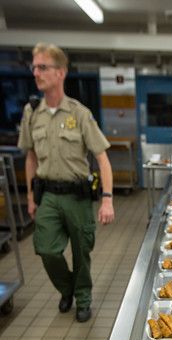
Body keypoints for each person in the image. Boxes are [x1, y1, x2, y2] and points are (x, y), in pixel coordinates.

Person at [18, 42, 114, 323]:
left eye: (43, 67)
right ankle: (67, 288)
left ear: (61, 72)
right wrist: (30, 196)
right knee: (47, 249)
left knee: (82, 250)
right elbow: (31, 158)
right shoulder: (31, 113)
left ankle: (83, 298)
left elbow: (102, 159)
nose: (36, 73)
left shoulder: (79, 114)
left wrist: (107, 198)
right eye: (34, 67)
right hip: (47, 194)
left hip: (78, 196)